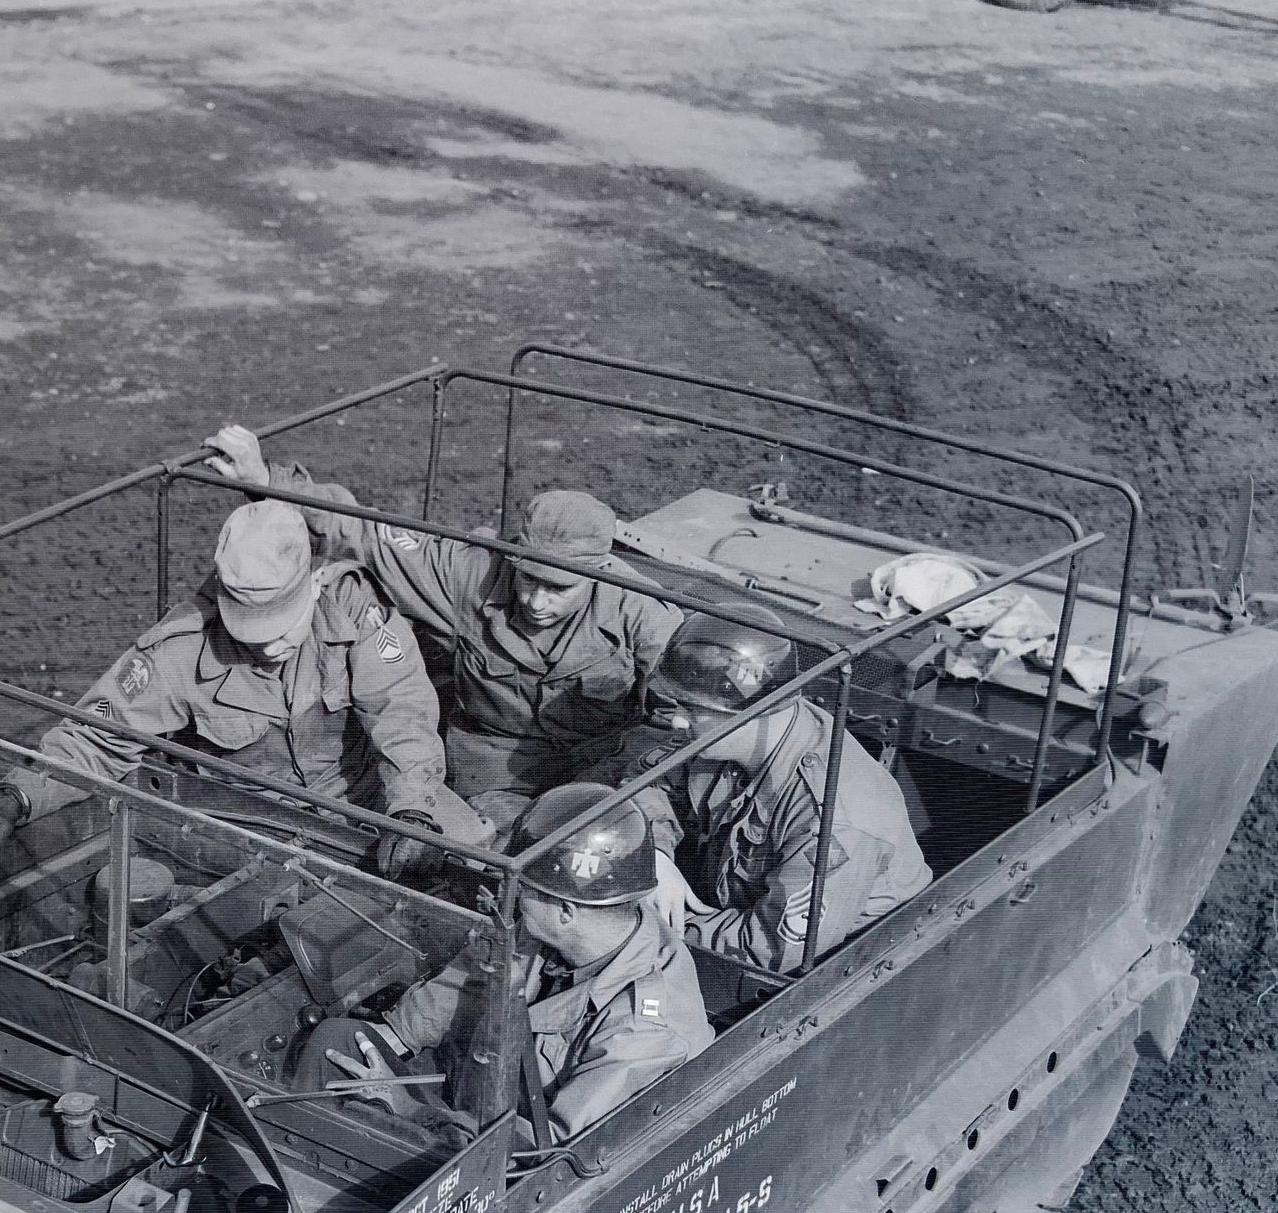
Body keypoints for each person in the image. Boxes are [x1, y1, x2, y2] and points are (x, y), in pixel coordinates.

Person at [0, 499, 489, 879]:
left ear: (312, 583)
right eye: (252, 629)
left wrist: (411, 813)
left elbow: (403, 710)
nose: (270, 645)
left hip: (370, 798)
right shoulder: (180, 646)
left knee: (475, 866)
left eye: (283, 625)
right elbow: (96, 737)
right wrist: (18, 796)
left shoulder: (352, 605)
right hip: (255, 826)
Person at [203, 425, 684, 833]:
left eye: (559, 589)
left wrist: (627, 778)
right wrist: (266, 480)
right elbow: (363, 533)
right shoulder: (471, 572)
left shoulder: (641, 611)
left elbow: (679, 717)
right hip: (495, 774)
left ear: (599, 572)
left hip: (601, 767)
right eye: (528, 579)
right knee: (491, 859)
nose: (537, 602)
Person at [309, 784, 713, 1140]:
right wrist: (397, 1037)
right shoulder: (564, 926)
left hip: (512, 1151)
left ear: (566, 911)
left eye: (524, 889)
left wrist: (412, 1111)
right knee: (341, 1042)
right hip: (478, 1095)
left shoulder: (643, 1031)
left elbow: (546, 1152)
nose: (511, 897)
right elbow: (474, 977)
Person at [643, 608, 931, 973]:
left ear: (753, 713)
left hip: (841, 963)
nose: (677, 721)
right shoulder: (728, 733)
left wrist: (643, 923)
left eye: (693, 710)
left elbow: (767, 951)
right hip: (725, 912)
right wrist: (654, 852)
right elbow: (647, 781)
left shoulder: (835, 820)